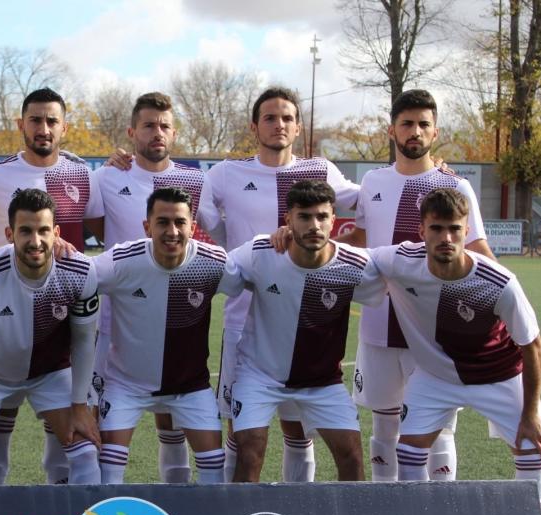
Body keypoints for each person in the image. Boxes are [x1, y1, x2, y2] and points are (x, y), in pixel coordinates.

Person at [0, 87, 105, 486]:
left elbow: (106, 232)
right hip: (0, 322)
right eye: (35, 120)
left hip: (58, 323)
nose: (43, 128)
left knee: (71, 445)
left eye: (52, 121)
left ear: (65, 127)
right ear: (21, 124)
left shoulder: (83, 175)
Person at [198, 86, 359, 485]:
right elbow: (198, 209)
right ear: (254, 126)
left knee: (299, 429)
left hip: (304, 319)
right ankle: (235, 512)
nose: (279, 124)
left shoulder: (320, 170)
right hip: (242, 320)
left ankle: (296, 507)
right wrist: (233, 245)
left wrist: (430, 172)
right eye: (270, 117)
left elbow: (368, 199)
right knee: (241, 433)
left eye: (287, 118)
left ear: (298, 127)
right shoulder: (226, 173)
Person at [370, 188, 541, 515]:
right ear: (421, 230)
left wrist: (530, 413)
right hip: (435, 377)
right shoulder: (400, 261)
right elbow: (346, 256)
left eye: (454, 229)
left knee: (532, 450)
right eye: (436, 228)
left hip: (498, 375)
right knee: (408, 455)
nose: (446, 238)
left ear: (467, 231)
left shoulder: (498, 282)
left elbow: (533, 347)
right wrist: (288, 237)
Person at [349, 89, 494, 482]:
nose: (415, 131)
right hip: (379, 324)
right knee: (384, 424)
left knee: (438, 426)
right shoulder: (372, 182)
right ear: (392, 130)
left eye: (423, 124)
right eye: (407, 123)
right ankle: (386, 505)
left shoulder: (455, 187)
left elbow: (477, 247)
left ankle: (440, 506)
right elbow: (359, 239)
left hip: (435, 329)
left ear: (435, 132)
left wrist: (505, 297)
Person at [225, 180, 385, 482]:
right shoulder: (261, 252)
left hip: (322, 381)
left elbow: (399, 269)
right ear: (288, 219)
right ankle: (237, 512)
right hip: (259, 375)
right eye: (304, 217)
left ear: (333, 219)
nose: (314, 225)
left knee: (351, 455)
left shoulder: (355, 265)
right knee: (250, 450)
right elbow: (217, 268)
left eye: (322, 216)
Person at [94, 91, 210, 484]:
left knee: (172, 419)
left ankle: (175, 499)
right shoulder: (108, 176)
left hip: (176, 318)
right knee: (100, 422)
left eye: (164, 126)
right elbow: (94, 227)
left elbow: (214, 232)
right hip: (115, 323)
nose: (156, 132)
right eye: (148, 125)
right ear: (132, 132)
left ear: (174, 133)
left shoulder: (196, 180)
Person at [93, 187, 237, 485]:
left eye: (180, 222)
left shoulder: (214, 262)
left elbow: (253, 276)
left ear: (192, 227)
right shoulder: (121, 261)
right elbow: (76, 278)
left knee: (214, 470)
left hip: (190, 388)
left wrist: (280, 241)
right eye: (162, 222)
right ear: (147, 226)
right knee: (107, 472)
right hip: (126, 385)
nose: (172, 231)